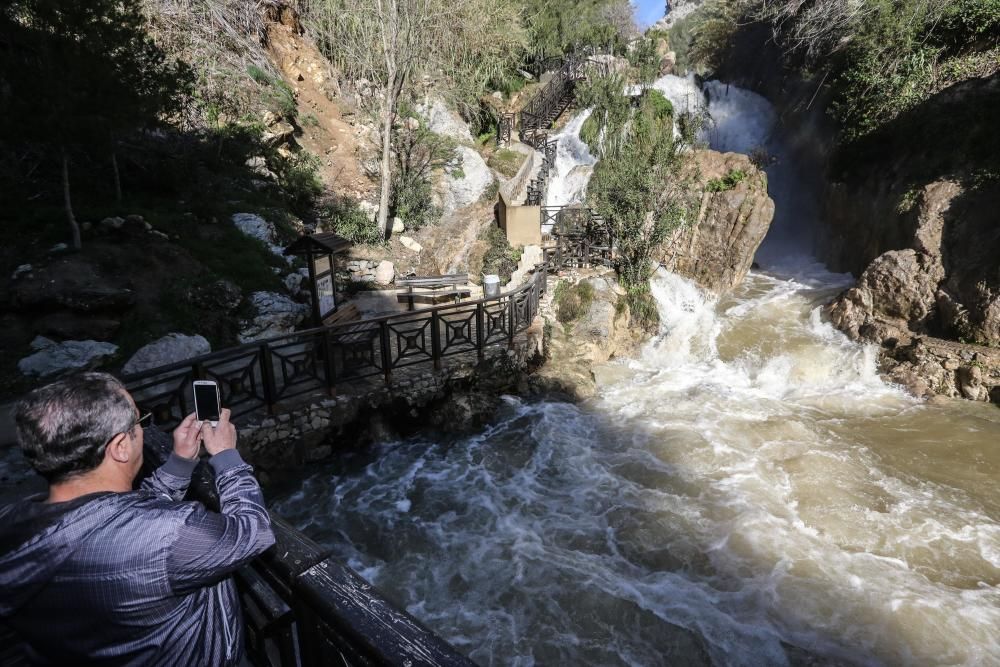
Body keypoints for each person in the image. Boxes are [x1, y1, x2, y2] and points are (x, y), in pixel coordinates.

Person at [0, 372, 275, 666]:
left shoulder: (12, 523)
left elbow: (120, 512)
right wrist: (226, 456)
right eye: (139, 421)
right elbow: (253, 531)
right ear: (120, 446)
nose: (143, 429)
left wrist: (180, 462)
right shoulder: (171, 534)